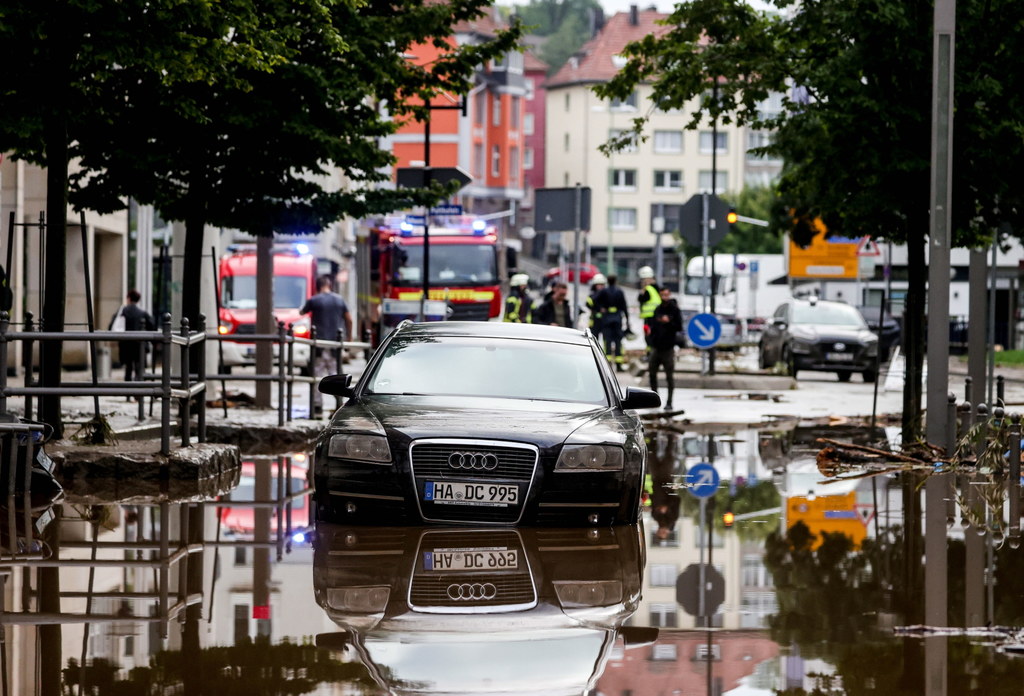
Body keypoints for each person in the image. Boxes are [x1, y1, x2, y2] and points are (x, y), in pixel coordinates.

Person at [300, 275, 353, 416]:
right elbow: (349, 319)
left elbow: (301, 312)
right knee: (335, 376)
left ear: (317, 287)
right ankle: (339, 405)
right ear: (330, 285)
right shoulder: (339, 300)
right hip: (335, 344)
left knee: (317, 376)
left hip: (319, 344)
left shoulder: (314, 300)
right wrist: (348, 339)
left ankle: (317, 408)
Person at [109, 289, 155, 385]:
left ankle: (128, 393)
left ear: (129, 298)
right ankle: (138, 392)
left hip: (126, 344)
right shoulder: (142, 313)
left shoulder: (123, 311)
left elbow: (112, 326)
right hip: (139, 345)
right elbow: (152, 327)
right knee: (139, 369)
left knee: (128, 368)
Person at [648, 286, 682, 409]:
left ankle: (669, 402)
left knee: (669, 376)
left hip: (668, 348)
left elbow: (679, 327)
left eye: (666, 295)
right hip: (657, 347)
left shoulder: (674, 310)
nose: (664, 298)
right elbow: (653, 325)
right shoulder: (658, 309)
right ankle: (654, 400)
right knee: (652, 373)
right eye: (662, 295)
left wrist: (669, 322)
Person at [596, 274, 630, 372]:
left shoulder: (603, 291)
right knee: (618, 341)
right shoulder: (619, 291)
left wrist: (600, 309)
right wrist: (627, 320)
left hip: (606, 318)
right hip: (617, 318)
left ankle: (608, 364)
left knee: (607, 341)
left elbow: (594, 300)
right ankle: (619, 364)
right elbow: (624, 306)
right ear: (615, 281)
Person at [637, 266, 661, 351]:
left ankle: (650, 352)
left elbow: (640, 299)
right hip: (654, 316)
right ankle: (651, 352)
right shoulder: (656, 288)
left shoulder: (648, 289)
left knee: (648, 335)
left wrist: (642, 290)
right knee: (652, 334)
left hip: (650, 317)